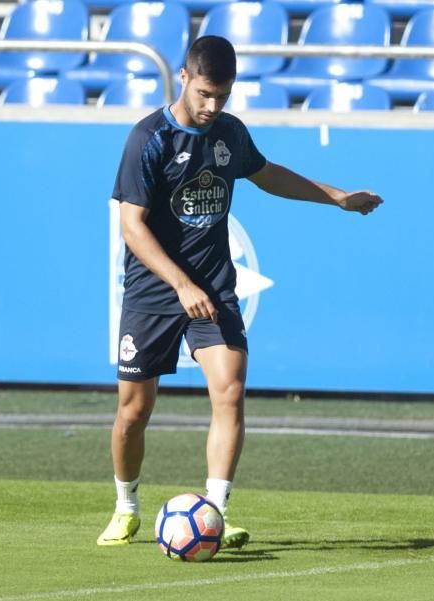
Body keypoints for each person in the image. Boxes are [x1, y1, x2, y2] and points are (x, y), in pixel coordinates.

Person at [96, 35, 383, 548]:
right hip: (155, 292)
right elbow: (132, 228)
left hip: (212, 288)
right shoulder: (149, 139)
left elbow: (266, 174)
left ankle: (214, 513)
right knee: (133, 413)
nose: (212, 106)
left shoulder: (229, 133)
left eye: (222, 96)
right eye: (205, 93)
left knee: (230, 391)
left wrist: (336, 197)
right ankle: (125, 505)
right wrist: (180, 284)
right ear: (183, 78)